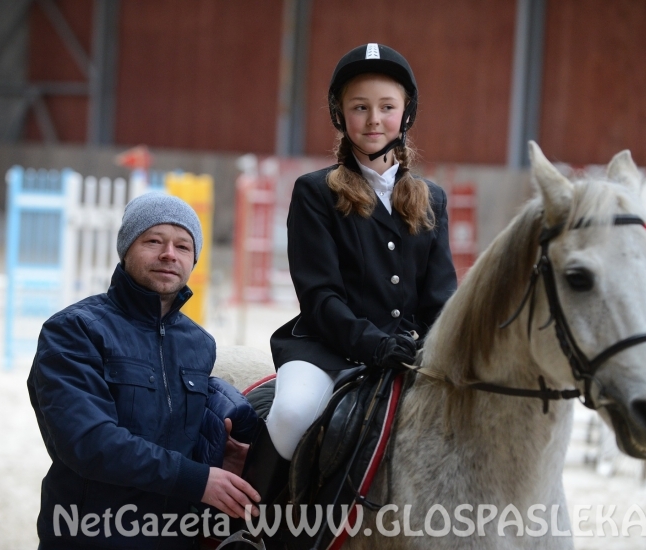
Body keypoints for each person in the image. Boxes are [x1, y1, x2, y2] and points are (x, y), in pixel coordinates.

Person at [246, 43, 459, 514]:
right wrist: (374, 344)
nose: (373, 119)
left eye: (387, 107)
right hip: (327, 349)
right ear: (340, 116)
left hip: (409, 352)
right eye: (359, 107)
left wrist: (434, 345)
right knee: (293, 412)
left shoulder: (432, 199)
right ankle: (243, 529)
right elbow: (320, 296)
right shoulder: (315, 192)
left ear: (406, 115)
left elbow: (443, 296)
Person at [27, 193, 260, 550]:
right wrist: (197, 479)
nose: (169, 254)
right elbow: (90, 443)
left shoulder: (200, 343)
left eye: (183, 246)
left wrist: (219, 457)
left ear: (193, 260)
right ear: (126, 249)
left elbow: (176, 437)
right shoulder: (74, 330)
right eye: (154, 241)